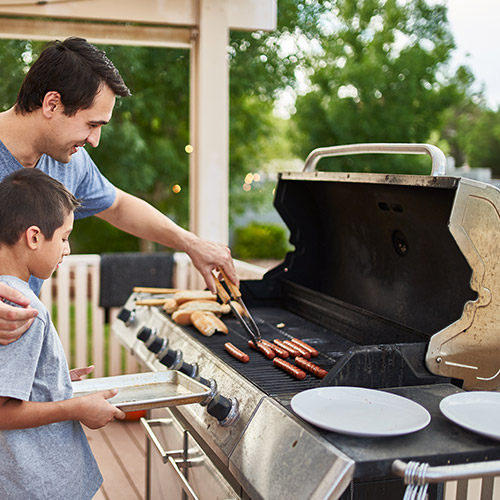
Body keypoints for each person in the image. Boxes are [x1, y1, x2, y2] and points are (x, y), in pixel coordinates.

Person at [0, 36, 238, 342]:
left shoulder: (71, 162)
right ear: (52, 104)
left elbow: (118, 206)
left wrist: (191, 244)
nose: (95, 140)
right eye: (91, 124)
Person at [0, 168, 125, 500]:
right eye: (65, 237)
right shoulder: (23, 308)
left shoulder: (6, 297)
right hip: (38, 485)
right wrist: (76, 407)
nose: (67, 250)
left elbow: (10, 383)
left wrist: (52, 381)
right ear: (35, 237)